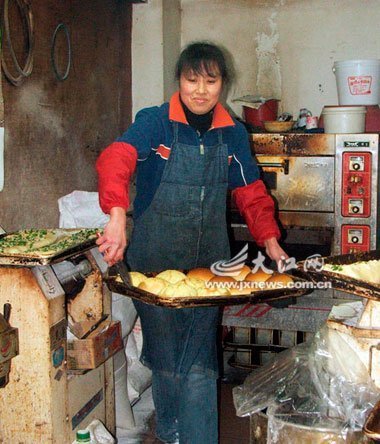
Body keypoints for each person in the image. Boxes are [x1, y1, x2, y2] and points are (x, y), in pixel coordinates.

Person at [96, 41, 287, 444]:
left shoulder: (232, 133)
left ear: (223, 84)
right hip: (153, 264)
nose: (200, 90)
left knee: (199, 361)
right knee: (166, 359)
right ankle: (172, 434)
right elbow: (117, 157)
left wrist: (270, 242)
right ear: (179, 81)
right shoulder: (155, 122)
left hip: (209, 267)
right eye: (191, 79)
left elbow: (250, 190)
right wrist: (116, 215)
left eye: (211, 80)